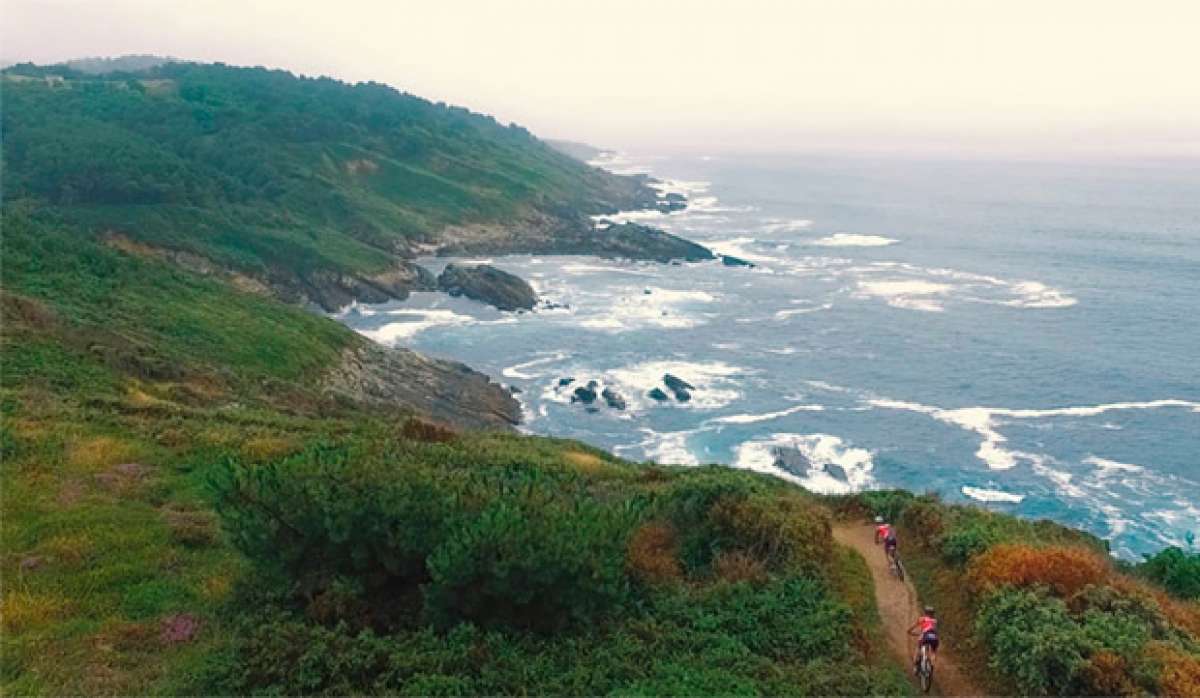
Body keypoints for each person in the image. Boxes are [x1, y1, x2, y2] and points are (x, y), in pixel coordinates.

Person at [908, 606, 939, 673]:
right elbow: (935, 630)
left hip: (925, 636)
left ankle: (915, 666)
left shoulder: (922, 619)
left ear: (925, 612)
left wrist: (909, 631)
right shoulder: (935, 621)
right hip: (934, 637)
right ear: (933, 614)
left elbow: (913, 627)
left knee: (918, 648)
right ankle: (932, 664)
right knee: (933, 652)